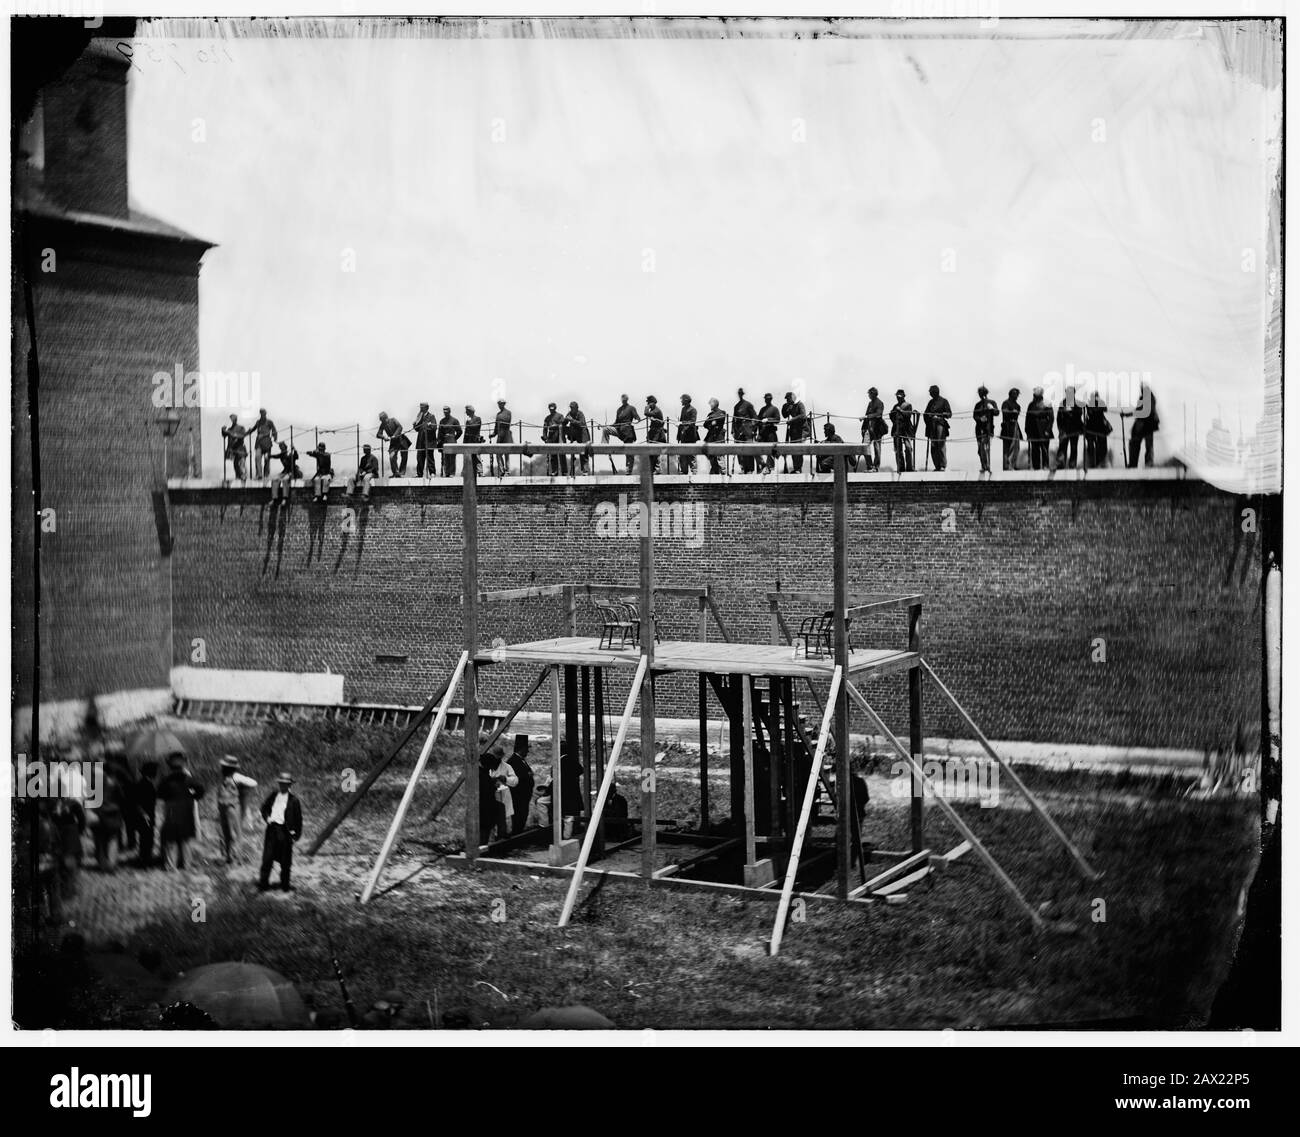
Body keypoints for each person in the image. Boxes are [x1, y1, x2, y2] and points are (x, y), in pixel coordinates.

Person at [158, 753, 205, 871]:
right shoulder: (190, 780)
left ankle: (170, 865)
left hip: (172, 812)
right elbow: (201, 791)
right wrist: (192, 795)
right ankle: (186, 864)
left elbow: (159, 794)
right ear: (182, 766)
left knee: (170, 840)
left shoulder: (166, 781)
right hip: (186, 812)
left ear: (170, 766)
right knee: (186, 840)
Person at [258, 772, 303, 892]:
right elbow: (264, 808)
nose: (283, 786)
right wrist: (267, 818)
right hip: (272, 830)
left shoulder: (294, 800)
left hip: (285, 832)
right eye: (281, 784)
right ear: (279, 784)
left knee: (285, 861)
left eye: (286, 784)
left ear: (289, 785)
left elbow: (298, 819)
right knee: (267, 858)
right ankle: (263, 885)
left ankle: (285, 886)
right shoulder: (274, 795)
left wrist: (296, 835)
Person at [216, 756, 258, 866]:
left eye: (224, 766)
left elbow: (253, 783)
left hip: (233, 808)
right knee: (224, 833)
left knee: (233, 833)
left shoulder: (236, 777)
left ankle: (235, 858)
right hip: (223, 808)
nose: (222, 768)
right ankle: (228, 857)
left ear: (230, 767)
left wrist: (242, 786)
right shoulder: (224, 777)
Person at [90, 760, 126, 873]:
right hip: (114, 814)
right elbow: (122, 798)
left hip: (99, 813)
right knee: (113, 839)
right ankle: (111, 864)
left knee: (100, 839)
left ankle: (102, 864)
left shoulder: (95, 782)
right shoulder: (116, 783)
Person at [477, 749, 517, 844]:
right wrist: (493, 785)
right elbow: (485, 789)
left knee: (501, 808)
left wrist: (494, 781)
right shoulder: (481, 774)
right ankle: (497, 837)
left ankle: (500, 835)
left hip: (487, 802)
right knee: (487, 824)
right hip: (484, 805)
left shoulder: (482, 772)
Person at [128, 760, 158, 867]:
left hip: (145, 815)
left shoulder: (142, 783)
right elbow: (137, 802)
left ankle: (144, 859)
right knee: (147, 839)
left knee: (144, 839)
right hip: (146, 815)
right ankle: (145, 861)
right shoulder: (146, 785)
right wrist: (144, 814)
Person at [507, 735, 536, 835]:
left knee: (523, 815)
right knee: (518, 815)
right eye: (526, 749)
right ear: (521, 749)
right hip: (518, 795)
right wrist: (528, 775)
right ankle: (516, 834)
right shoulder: (512, 761)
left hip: (524, 795)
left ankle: (518, 833)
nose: (527, 751)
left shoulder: (521, 761)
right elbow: (516, 777)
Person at [1129, 381, 1159, 467]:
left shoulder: (1149, 397)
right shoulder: (1145, 397)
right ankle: (1134, 464)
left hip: (1146, 425)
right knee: (1138, 444)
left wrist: (1129, 415)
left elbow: (1145, 411)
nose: (1141, 389)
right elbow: (1139, 410)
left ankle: (1144, 464)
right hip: (1144, 425)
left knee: (1146, 445)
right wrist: (1128, 414)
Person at [922, 385, 952, 471]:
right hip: (932, 426)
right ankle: (937, 466)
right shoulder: (930, 402)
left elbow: (949, 414)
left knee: (941, 444)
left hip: (940, 425)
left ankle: (942, 465)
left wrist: (939, 415)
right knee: (933, 446)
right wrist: (929, 418)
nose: (931, 394)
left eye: (932, 392)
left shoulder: (944, 401)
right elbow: (925, 414)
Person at [1024, 387, 1054, 470]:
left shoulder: (1047, 403)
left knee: (1044, 448)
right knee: (1034, 449)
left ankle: (1045, 465)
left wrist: (1048, 429)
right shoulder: (1031, 404)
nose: (1034, 396)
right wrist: (1027, 430)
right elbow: (1028, 418)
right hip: (1033, 430)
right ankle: (1036, 466)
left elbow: (1051, 418)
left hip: (1043, 428)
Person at [1055, 386, 1084, 470]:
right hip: (1064, 429)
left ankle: (1072, 465)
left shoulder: (1077, 404)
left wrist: (1071, 412)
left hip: (1074, 430)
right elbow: (1058, 418)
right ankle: (1061, 464)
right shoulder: (1062, 403)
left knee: (1074, 448)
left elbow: (1079, 415)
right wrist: (1060, 429)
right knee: (1062, 447)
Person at [973, 386, 998, 474]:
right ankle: (984, 466)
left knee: (986, 448)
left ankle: (987, 466)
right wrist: (980, 419)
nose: (981, 395)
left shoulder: (992, 402)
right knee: (980, 449)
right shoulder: (977, 405)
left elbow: (997, 413)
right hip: (979, 429)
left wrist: (992, 408)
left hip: (989, 429)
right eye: (979, 393)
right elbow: (974, 416)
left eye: (982, 393)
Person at [376, 412, 411, 477]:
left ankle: (402, 473)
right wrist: (384, 437)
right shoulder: (382, 424)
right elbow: (378, 434)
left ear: (386, 418)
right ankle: (396, 472)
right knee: (392, 457)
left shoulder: (393, 420)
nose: (383, 422)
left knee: (404, 457)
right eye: (381, 421)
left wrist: (394, 435)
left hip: (402, 440)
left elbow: (400, 427)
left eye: (383, 420)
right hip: (393, 443)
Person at [782, 392, 809, 473]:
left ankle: (798, 468)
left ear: (792, 397)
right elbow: (784, 415)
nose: (787, 400)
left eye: (788, 398)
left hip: (801, 431)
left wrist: (792, 420)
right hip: (794, 431)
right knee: (793, 450)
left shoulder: (800, 404)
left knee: (798, 449)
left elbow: (803, 415)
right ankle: (796, 468)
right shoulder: (790, 406)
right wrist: (784, 408)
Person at [1084, 391, 1112, 468]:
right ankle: (1092, 463)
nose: (1095, 398)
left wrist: (1098, 405)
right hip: (1091, 427)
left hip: (1100, 427)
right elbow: (1089, 411)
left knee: (1102, 447)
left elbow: (1105, 408)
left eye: (1096, 396)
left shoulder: (1101, 403)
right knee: (1090, 447)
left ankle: (1101, 463)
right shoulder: (1089, 404)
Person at [890, 389, 916, 472]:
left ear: (904, 396)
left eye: (900, 396)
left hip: (906, 429)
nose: (898, 398)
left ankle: (909, 467)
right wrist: (894, 414)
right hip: (897, 429)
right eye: (897, 397)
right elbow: (891, 416)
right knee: (898, 449)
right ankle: (901, 467)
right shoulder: (895, 406)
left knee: (908, 448)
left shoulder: (908, 405)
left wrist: (900, 411)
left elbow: (908, 415)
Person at [861, 387, 886, 472]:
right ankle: (870, 466)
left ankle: (875, 467)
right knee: (864, 446)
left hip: (877, 429)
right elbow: (866, 416)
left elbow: (879, 414)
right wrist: (863, 428)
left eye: (869, 393)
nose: (869, 395)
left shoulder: (879, 403)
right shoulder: (870, 403)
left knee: (877, 448)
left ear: (873, 394)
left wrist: (868, 416)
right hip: (869, 429)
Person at [614, 394, 641, 474]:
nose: (624, 400)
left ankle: (628, 470)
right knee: (606, 430)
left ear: (627, 400)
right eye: (622, 399)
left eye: (625, 399)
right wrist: (609, 426)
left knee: (629, 452)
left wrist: (633, 422)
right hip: (620, 431)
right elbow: (616, 422)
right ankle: (604, 446)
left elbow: (637, 418)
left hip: (628, 432)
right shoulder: (619, 410)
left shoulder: (631, 408)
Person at [733, 388, 757, 473]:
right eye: (739, 393)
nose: (740, 395)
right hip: (739, 431)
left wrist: (753, 429)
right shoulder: (736, 406)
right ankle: (743, 468)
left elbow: (754, 417)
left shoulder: (748, 405)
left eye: (741, 393)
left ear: (743, 394)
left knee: (748, 450)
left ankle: (750, 469)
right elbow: (734, 419)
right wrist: (733, 430)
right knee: (740, 451)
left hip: (748, 430)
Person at [1000, 387, 1023, 470]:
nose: (1016, 396)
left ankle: (1014, 465)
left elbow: (1017, 413)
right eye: (1015, 394)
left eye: (1017, 394)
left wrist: (1014, 412)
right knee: (1007, 447)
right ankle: (1007, 466)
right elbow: (1005, 412)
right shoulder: (1005, 403)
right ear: (1011, 394)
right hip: (1007, 426)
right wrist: (1012, 412)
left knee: (1016, 447)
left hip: (1015, 426)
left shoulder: (1017, 405)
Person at [756, 393, 780, 473]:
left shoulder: (774, 409)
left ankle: (769, 468)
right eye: (766, 399)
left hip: (770, 433)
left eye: (769, 399)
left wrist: (768, 420)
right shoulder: (762, 409)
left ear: (771, 399)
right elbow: (758, 420)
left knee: (771, 451)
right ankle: (763, 465)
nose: (767, 400)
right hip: (762, 433)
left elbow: (777, 419)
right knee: (755, 450)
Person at [412, 402, 437, 478]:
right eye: (420, 407)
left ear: (427, 408)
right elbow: (417, 429)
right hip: (420, 441)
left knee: (430, 457)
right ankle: (419, 473)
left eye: (422, 407)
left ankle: (432, 473)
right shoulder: (419, 416)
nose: (421, 409)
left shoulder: (431, 416)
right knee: (420, 458)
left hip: (429, 441)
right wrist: (414, 424)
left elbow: (434, 428)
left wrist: (428, 426)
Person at [564, 401, 590, 473]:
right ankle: (571, 470)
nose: (572, 409)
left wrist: (572, 420)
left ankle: (585, 471)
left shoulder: (580, 413)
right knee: (572, 452)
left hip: (583, 435)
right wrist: (565, 420)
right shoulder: (569, 413)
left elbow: (582, 424)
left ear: (577, 408)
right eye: (571, 407)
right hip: (574, 435)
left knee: (583, 452)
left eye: (573, 408)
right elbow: (564, 423)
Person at [251, 409, 278, 478]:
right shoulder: (258, 422)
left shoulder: (269, 422)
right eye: (261, 413)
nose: (263, 414)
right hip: (258, 444)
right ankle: (259, 474)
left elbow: (274, 430)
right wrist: (247, 432)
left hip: (267, 444)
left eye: (264, 413)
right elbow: (253, 429)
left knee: (267, 459)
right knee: (257, 458)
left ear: (266, 414)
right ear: (260, 414)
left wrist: (275, 437)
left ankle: (266, 474)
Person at [437, 406, 462, 477]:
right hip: (444, 441)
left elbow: (459, 431)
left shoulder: (454, 420)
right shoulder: (442, 421)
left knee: (452, 457)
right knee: (446, 457)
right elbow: (440, 432)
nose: (445, 413)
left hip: (452, 441)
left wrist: (454, 438)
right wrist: (439, 441)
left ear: (449, 412)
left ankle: (452, 473)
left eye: (447, 412)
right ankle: (447, 472)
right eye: (444, 412)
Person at [543, 403, 568, 476]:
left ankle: (564, 472)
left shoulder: (560, 416)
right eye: (550, 409)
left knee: (562, 454)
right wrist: (545, 438)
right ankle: (555, 471)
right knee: (553, 455)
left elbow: (563, 425)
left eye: (553, 408)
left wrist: (556, 426)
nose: (551, 410)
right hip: (551, 437)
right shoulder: (547, 418)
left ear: (555, 408)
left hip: (560, 436)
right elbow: (544, 428)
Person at [703, 397, 726, 474]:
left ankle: (723, 472)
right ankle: (715, 469)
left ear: (715, 404)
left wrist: (713, 420)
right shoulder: (710, 414)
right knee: (711, 455)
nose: (710, 405)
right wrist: (712, 422)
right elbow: (705, 424)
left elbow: (721, 418)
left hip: (718, 437)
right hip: (711, 437)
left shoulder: (722, 412)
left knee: (720, 456)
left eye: (711, 403)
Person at [676, 394, 699, 474]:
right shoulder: (683, 409)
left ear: (686, 400)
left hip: (690, 435)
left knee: (691, 454)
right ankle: (684, 471)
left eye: (682, 400)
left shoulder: (693, 410)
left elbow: (692, 422)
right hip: (683, 436)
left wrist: (682, 423)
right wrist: (679, 435)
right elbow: (681, 422)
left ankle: (694, 472)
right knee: (683, 454)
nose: (681, 401)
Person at [222, 414, 249, 480]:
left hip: (240, 448)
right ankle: (238, 476)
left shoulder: (241, 428)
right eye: (232, 419)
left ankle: (243, 475)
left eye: (233, 419)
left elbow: (242, 435)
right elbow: (224, 435)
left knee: (242, 462)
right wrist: (223, 430)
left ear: (236, 419)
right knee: (236, 463)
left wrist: (233, 434)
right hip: (233, 449)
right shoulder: (230, 429)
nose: (233, 420)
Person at [643, 396, 665, 472]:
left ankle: (657, 470)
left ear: (653, 403)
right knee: (651, 452)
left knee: (655, 452)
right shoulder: (653, 410)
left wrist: (647, 407)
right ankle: (653, 469)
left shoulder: (656, 410)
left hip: (657, 434)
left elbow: (646, 413)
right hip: (653, 433)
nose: (648, 404)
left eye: (649, 403)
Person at [492, 399, 513, 477]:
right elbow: (496, 426)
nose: (500, 405)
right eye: (499, 404)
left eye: (501, 404)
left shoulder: (508, 412)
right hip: (499, 436)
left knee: (506, 454)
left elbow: (507, 421)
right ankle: (502, 470)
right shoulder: (498, 414)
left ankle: (507, 471)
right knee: (498, 453)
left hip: (506, 435)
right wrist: (493, 434)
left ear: (504, 404)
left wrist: (500, 423)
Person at [463, 405, 483, 475]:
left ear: (470, 411)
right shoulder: (468, 421)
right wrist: (464, 442)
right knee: (469, 457)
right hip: (468, 440)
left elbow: (476, 426)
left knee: (477, 456)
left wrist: (469, 423)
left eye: (467, 411)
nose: (466, 412)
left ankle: (480, 472)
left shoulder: (478, 419)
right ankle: (469, 472)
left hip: (475, 440)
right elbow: (466, 432)